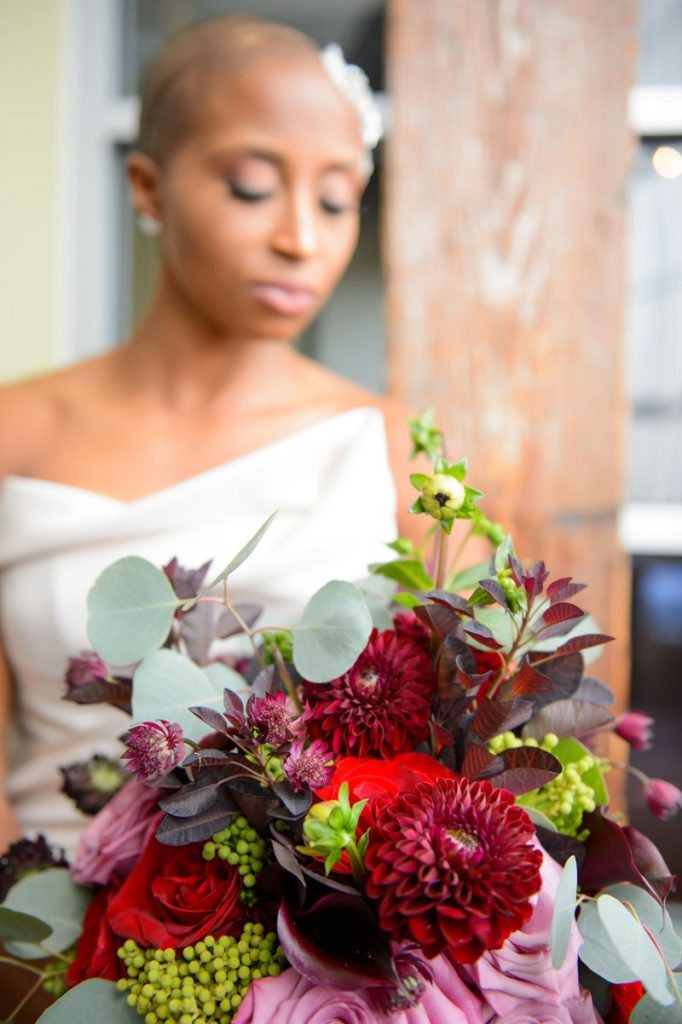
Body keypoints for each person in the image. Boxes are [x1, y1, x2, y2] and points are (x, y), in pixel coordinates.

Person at [0, 17, 433, 858]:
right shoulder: (18, 433)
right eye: (251, 187)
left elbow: (452, 745)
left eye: (336, 199)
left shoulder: (391, 449)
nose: (301, 239)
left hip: (310, 929)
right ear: (148, 187)